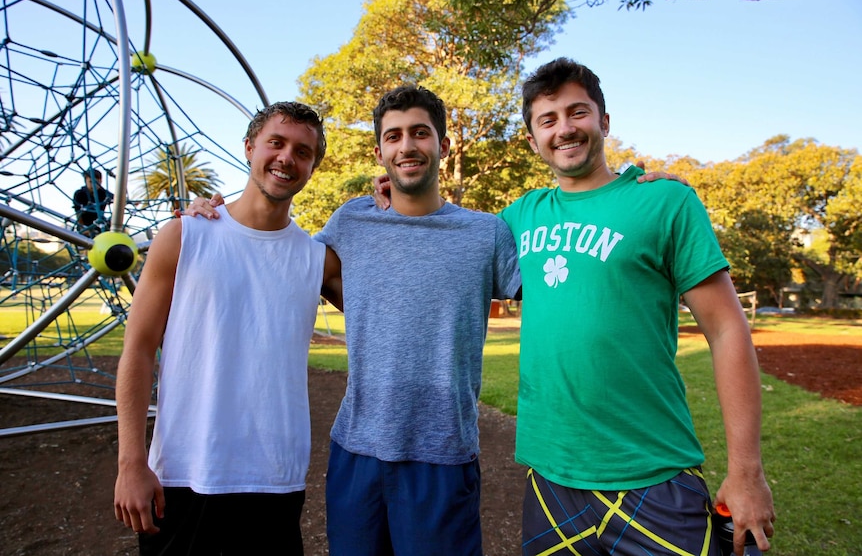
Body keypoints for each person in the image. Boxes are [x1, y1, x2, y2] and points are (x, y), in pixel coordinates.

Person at [189, 85, 522, 555]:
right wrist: (215, 217)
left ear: (443, 146)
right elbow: (278, 255)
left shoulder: (487, 233)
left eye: (421, 133)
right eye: (394, 136)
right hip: (356, 451)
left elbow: (562, 292)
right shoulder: (351, 221)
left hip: (442, 454)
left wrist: (636, 201)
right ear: (380, 151)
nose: (407, 146)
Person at [501, 58, 775, 556]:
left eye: (577, 112)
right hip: (551, 482)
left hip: (653, 475)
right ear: (532, 139)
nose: (565, 129)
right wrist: (385, 198)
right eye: (548, 119)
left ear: (604, 121)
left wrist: (747, 473)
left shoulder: (665, 202)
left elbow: (727, 331)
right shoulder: (518, 218)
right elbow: (443, 234)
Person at [113, 101, 342, 555]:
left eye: (302, 151)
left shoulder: (318, 260)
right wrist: (130, 462)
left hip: (274, 481)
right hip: (183, 473)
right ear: (249, 147)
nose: (286, 158)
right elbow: (138, 349)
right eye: (275, 143)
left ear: (313, 166)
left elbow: (389, 314)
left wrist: (390, 204)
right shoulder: (185, 235)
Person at [73, 169, 113, 236]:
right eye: (91, 182)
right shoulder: (80, 194)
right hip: (85, 224)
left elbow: (117, 198)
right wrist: (82, 228)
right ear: (86, 181)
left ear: (101, 182)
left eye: (96, 182)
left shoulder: (103, 193)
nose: (93, 185)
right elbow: (78, 213)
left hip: (100, 223)